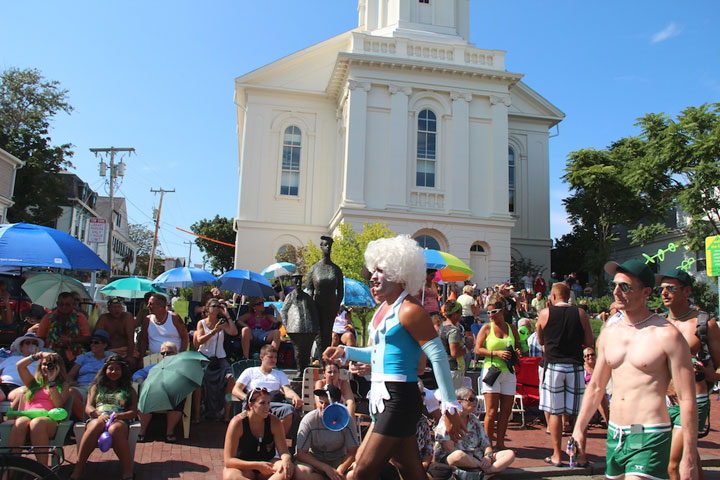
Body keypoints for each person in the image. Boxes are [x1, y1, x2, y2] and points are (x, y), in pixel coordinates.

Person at [322, 235, 465, 480]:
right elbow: (379, 353)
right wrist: (346, 352)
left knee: (361, 472)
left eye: (382, 271)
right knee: (410, 471)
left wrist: (449, 407)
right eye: (373, 271)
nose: (373, 278)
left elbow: (438, 356)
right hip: (383, 398)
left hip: (398, 399)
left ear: (401, 273)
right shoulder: (384, 309)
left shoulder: (410, 310)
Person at [572, 259, 699, 480]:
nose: (617, 292)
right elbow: (596, 387)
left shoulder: (667, 335)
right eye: (615, 286)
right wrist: (579, 428)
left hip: (649, 433)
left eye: (626, 287)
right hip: (615, 433)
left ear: (646, 292)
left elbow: (687, 398)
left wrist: (688, 456)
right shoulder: (609, 334)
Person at [656, 268, 720, 480]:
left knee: (673, 466)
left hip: (695, 400)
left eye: (670, 288)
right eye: (662, 288)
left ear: (686, 292)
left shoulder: (704, 324)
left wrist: (709, 373)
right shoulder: (659, 324)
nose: (664, 293)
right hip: (666, 402)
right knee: (691, 460)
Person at [536, 281, 594, 467]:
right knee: (578, 412)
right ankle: (581, 455)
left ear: (552, 297)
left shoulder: (545, 313)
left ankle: (557, 455)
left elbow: (540, 339)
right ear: (569, 296)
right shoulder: (580, 313)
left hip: (553, 365)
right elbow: (589, 340)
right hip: (575, 365)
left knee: (555, 412)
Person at [70, 355, 138, 480]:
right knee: (96, 425)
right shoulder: (96, 387)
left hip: (119, 419)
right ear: (104, 370)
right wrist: (98, 415)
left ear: (122, 372)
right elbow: (89, 407)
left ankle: (127, 473)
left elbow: (134, 411)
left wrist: (120, 415)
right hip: (98, 417)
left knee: (115, 430)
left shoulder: (129, 390)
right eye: (110, 369)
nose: (113, 372)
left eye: (117, 369)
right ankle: (77, 470)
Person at [474, 293, 523, 449]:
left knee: (506, 410)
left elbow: (519, 346)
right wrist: (496, 353)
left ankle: (500, 443)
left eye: (493, 312)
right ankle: (488, 444)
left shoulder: (512, 328)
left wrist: (517, 352)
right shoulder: (486, 328)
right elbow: (478, 349)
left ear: (502, 311)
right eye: (488, 312)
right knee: (492, 411)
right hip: (491, 370)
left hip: (508, 371)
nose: (490, 315)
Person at [434, 386, 515, 476]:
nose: (475, 402)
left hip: (478, 456)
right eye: (471, 399)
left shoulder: (474, 420)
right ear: (459, 402)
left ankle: (487, 472)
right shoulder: (447, 419)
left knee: (509, 454)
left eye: (476, 399)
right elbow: (450, 449)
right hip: (455, 457)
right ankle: (484, 471)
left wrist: (488, 457)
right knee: (458, 455)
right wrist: (478, 462)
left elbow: (486, 444)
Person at [8, 351, 70, 466]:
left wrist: (52, 382)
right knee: (20, 421)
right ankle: (10, 469)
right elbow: (20, 366)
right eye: (45, 364)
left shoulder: (63, 385)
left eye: (51, 364)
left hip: (48, 421)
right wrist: (39, 355)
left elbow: (58, 406)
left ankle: (42, 469)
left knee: (38, 422)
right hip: (27, 418)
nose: (47, 367)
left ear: (59, 367)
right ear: (40, 366)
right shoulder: (33, 383)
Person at [222, 387, 295, 480]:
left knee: (286, 469)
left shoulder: (274, 421)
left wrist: (286, 459)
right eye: (262, 403)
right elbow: (228, 460)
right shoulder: (237, 423)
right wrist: (257, 465)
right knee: (229, 475)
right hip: (244, 467)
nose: (267, 407)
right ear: (250, 405)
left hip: (267, 463)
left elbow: (284, 451)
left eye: (268, 403)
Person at [232, 345, 302, 436]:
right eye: (270, 357)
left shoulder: (280, 374)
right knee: (258, 407)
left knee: (289, 410)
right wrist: (247, 398)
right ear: (262, 357)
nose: (273, 360)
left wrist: (295, 396)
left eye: (275, 357)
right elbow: (236, 389)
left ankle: (276, 443)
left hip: (273, 403)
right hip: (254, 403)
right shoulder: (250, 371)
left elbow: (287, 390)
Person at [295, 385, 359, 480]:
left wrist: (341, 469)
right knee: (301, 472)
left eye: (327, 404)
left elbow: (352, 452)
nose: (323, 407)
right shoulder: (309, 420)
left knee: (357, 472)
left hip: (339, 459)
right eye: (321, 403)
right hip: (316, 461)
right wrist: (325, 468)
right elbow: (301, 453)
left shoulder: (347, 420)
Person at [194, 298, 238, 422]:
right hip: (204, 357)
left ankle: (226, 415)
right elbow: (199, 340)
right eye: (214, 306)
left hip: (219, 358)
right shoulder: (201, 323)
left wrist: (228, 316)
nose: (216, 308)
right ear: (208, 309)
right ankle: (197, 415)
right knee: (198, 380)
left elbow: (234, 332)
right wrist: (214, 331)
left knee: (231, 378)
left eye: (218, 306)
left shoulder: (222, 322)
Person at [135, 341, 183, 443]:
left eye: (169, 353)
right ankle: (141, 432)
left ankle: (169, 432)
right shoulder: (154, 367)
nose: (165, 355)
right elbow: (138, 374)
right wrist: (141, 381)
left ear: (175, 354)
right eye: (163, 353)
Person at [36, 291, 91, 370]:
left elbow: (87, 338)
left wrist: (70, 340)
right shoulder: (48, 317)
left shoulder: (80, 317)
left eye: (67, 305)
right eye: (61, 304)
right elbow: (40, 337)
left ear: (73, 304)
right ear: (57, 304)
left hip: (75, 354)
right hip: (51, 353)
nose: (64, 307)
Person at [67, 330, 113, 420]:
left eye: (96, 342)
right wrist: (71, 382)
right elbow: (70, 375)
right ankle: (86, 420)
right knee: (70, 392)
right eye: (91, 342)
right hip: (83, 386)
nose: (92, 344)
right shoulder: (84, 357)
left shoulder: (111, 357)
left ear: (105, 345)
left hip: (103, 387)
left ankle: (98, 421)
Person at [0, 333, 42, 404]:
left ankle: (12, 415)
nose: (31, 345)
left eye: (34, 343)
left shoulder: (41, 362)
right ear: (21, 347)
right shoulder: (12, 359)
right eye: (27, 343)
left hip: (23, 387)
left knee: (21, 396)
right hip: (4, 384)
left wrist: (36, 356)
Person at [94, 297, 137, 368]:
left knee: (133, 362)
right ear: (109, 309)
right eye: (114, 307)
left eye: (118, 307)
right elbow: (97, 338)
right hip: (109, 351)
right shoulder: (104, 318)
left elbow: (130, 338)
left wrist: (130, 356)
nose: (116, 309)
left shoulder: (127, 317)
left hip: (125, 350)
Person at [438, 299, 468, 389]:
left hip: (444, 367)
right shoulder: (453, 330)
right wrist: (467, 348)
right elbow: (454, 353)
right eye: (460, 313)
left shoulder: (442, 326)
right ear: (455, 314)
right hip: (454, 369)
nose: (461, 316)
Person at [582, 347, 609, 427]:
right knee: (598, 395)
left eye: (592, 354)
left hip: (600, 390)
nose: (590, 357)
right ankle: (608, 421)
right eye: (587, 356)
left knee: (600, 394)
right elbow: (581, 384)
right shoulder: (583, 370)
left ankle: (608, 421)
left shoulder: (599, 368)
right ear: (584, 358)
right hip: (587, 392)